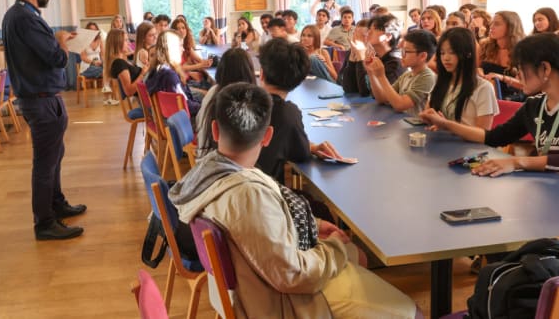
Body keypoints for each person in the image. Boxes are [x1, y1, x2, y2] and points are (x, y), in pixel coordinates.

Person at [169, 82, 419, 319]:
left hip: (254, 287)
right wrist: (335, 248)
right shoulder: (246, 195)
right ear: (267, 136)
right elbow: (294, 275)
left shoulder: (206, 173)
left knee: (356, 258)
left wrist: (316, 224)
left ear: (214, 130)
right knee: (411, 310)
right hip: (282, 302)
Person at [421, 33, 559, 193]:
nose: (517, 76)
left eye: (521, 69)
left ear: (545, 68)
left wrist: (516, 162)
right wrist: (446, 124)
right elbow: (494, 137)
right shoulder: (535, 105)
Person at [2, 0, 85, 241]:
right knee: (45, 162)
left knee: (55, 155)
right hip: (39, 99)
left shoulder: (23, 15)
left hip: (44, 97)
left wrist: (57, 37)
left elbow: (41, 49)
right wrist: (61, 42)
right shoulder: (24, 17)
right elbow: (56, 58)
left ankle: (56, 203)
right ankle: (45, 222)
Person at [256, 38, 340, 183]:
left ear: (261, 74)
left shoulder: (244, 101)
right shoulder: (288, 113)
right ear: (299, 81)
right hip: (264, 191)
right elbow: (300, 153)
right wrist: (313, 147)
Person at [426, 27, 498, 128]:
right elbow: (428, 113)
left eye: (452, 52)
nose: (446, 58)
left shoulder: (483, 88)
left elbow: (483, 134)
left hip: (468, 144)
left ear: (468, 54)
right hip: (441, 140)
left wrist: (447, 125)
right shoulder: (439, 81)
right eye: (442, 53)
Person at [195, 48, 256, 156]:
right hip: (222, 165)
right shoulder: (240, 101)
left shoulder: (214, 91)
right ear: (248, 72)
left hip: (204, 155)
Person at [366, 29, 437, 116]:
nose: (401, 55)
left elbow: (400, 105)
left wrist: (381, 76)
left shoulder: (427, 76)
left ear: (422, 56)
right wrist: (371, 73)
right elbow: (382, 98)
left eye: (405, 52)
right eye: (401, 51)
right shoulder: (407, 75)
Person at [340, 14, 404, 96]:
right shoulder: (376, 57)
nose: (369, 32)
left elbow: (366, 92)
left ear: (388, 36)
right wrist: (353, 54)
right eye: (370, 28)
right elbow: (349, 89)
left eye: (375, 29)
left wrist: (361, 58)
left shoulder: (395, 63)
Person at [143, 30, 201, 117]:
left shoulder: (155, 69)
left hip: (168, 119)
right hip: (180, 124)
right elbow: (185, 106)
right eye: (180, 46)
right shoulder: (169, 75)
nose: (183, 49)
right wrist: (203, 107)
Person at [480, 11, 526, 101]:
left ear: (510, 27)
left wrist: (502, 77)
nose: (491, 27)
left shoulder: (522, 50)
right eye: (492, 23)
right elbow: (477, 67)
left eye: (497, 24)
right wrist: (479, 70)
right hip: (487, 94)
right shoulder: (485, 46)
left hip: (512, 98)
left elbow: (526, 85)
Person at [172, 18, 213, 93]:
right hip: (183, 83)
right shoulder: (173, 46)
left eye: (183, 28)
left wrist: (207, 62)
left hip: (187, 79)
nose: (181, 30)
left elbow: (200, 60)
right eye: (178, 29)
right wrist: (200, 65)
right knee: (211, 91)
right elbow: (180, 68)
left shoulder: (186, 45)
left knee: (212, 87)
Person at [104, 28, 147, 99]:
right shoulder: (118, 63)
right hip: (147, 98)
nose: (129, 43)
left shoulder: (121, 61)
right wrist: (142, 74)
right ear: (117, 42)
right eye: (126, 40)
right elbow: (129, 91)